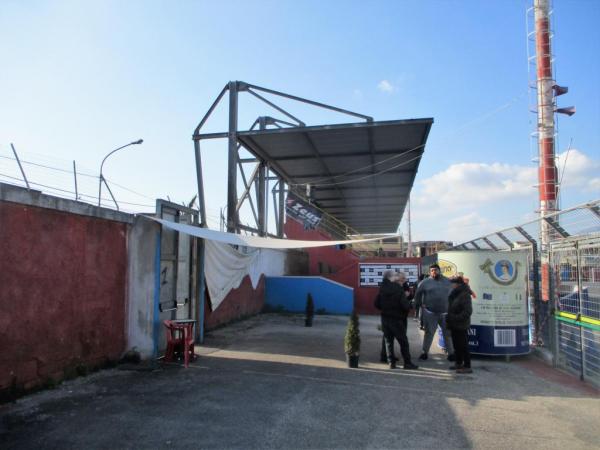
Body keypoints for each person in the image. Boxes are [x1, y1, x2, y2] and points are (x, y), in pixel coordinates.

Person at [374, 271, 418, 370]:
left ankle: (391, 363)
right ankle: (407, 363)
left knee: (388, 341)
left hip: (385, 318)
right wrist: (412, 304)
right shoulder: (398, 288)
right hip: (397, 319)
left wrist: (386, 308)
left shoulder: (382, 288)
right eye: (395, 276)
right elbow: (405, 306)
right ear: (390, 278)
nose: (396, 277)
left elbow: (376, 304)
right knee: (403, 342)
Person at [413, 263, 454, 361]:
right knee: (429, 333)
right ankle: (424, 353)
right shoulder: (424, 283)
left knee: (447, 334)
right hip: (430, 313)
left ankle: (451, 353)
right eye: (431, 271)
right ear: (429, 272)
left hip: (445, 313)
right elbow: (417, 296)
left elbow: (454, 295)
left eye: (435, 270)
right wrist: (417, 308)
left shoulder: (448, 281)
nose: (434, 272)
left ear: (439, 271)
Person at [446, 276, 473, 374]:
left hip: (461, 325)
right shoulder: (455, 293)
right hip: (454, 324)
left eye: (452, 283)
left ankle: (467, 366)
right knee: (457, 346)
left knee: (463, 346)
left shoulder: (464, 294)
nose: (451, 285)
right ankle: (458, 363)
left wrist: (454, 318)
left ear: (458, 284)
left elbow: (468, 311)